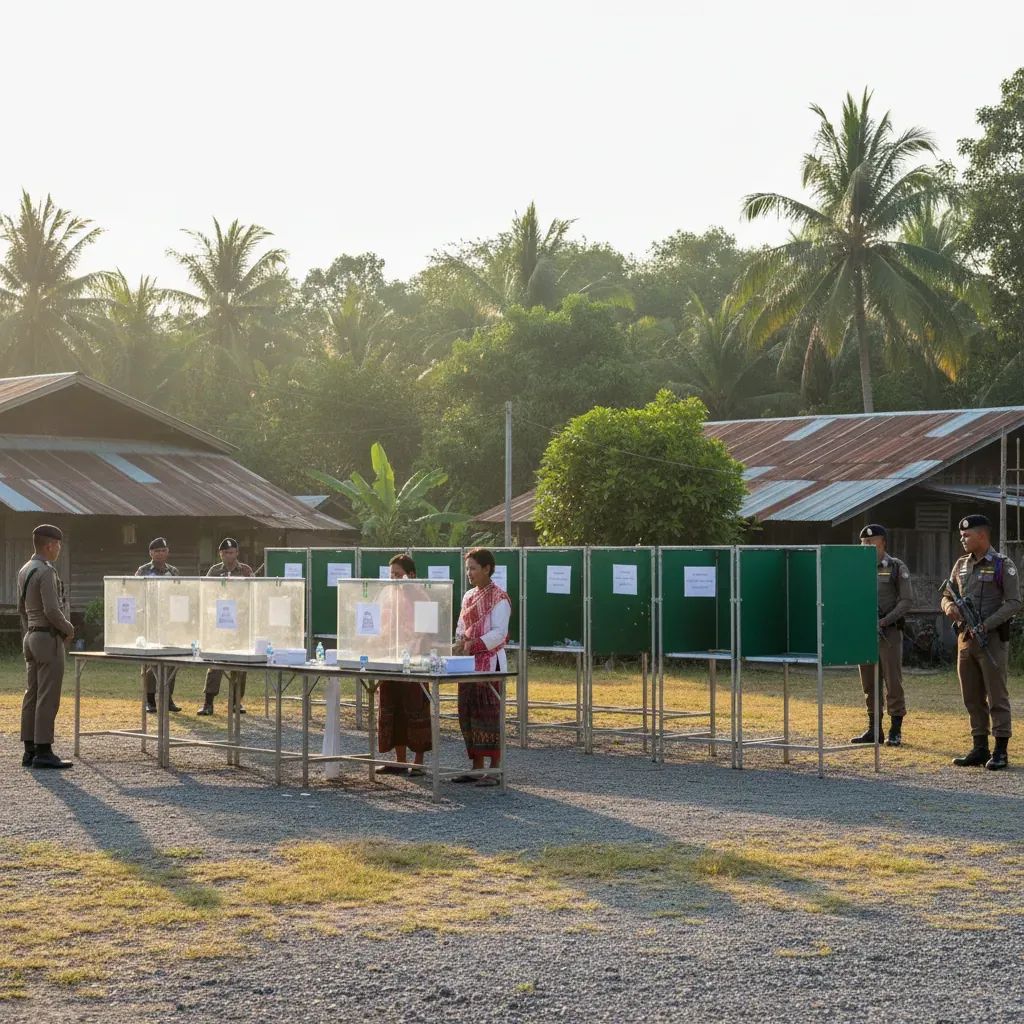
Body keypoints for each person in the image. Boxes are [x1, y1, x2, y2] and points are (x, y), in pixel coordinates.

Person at [940, 514, 1020, 771]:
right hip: (965, 640)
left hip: (992, 640)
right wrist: (949, 606)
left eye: (967, 535)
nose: (962, 539)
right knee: (971, 696)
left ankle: (1000, 751)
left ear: (982, 536)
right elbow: (945, 593)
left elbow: (1014, 603)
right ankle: (979, 747)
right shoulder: (961, 564)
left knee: (997, 695)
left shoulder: (1002, 565)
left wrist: (987, 624)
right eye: (961, 535)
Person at [451, 547, 510, 787]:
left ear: (487, 569)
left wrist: (474, 644)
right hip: (467, 665)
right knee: (468, 714)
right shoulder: (468, 597)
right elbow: (461, 625)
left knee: (488, 716)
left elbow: (499, 633)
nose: (469, 573)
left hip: (489, 665)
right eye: (467, 569)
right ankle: (476, 767)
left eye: (473, 568)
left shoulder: (499, 598)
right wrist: (458, 643)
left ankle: (494, 770)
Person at [18, 524, 75, 769]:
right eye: (58, 545)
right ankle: (44, 750)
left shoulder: (25, 569)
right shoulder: (46, 571)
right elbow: (52, 609)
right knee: (48, 696)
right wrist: (68, 628)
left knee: (31, 693)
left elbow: (22, 608)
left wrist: (31, 628)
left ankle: (29, 749)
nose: (59, 549)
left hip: (30, 634)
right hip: (47, 638)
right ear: (50, 545)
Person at [852, 524, 913, 747]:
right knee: (868, 683)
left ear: (883, 542)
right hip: (864, 634)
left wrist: (885, 620)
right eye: (864, 542)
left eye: (872, 541)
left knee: (892, 681)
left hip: (889, 633)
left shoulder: (896, 567)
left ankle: (895, 730)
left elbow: (907, 601)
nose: (867, 545)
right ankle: (873, 730)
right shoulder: (856, 568)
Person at [375, 554, 432, 775]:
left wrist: (415, 643)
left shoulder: (423, 597)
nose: (395, 580)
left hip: (415, 659)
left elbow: (427, 630)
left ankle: (418, 762)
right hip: (391, 657)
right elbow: (382, 625)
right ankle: (399, 760)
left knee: (416, 708)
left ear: (412, 575)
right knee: (391, 707)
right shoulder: (388, 596)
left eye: (398, 575)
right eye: (392, 575)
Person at [197, 538, 255, 716]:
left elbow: (253, 594)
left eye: (232, 552)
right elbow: (207, 593)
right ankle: (208, 702)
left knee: (240, 664)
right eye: (225, 553)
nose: (228, 556)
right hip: (220, 624)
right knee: (216, 663)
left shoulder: (245, 570)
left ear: (237, 553)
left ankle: (236, 702)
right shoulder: (214, 571)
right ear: (220, 554)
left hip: (240, 624)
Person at [135, 537, 181, 714]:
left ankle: (168, 698)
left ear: (167, 552)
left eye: (163, 550)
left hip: (169, 622)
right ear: (150, 553)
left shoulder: (174, 571)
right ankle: (150, 700)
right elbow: (137, 593)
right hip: (150, 622)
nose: (160, 554)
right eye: (156, 551)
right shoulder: (143, 570)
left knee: (172, 660)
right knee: (150, 663)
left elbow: (179, 594)